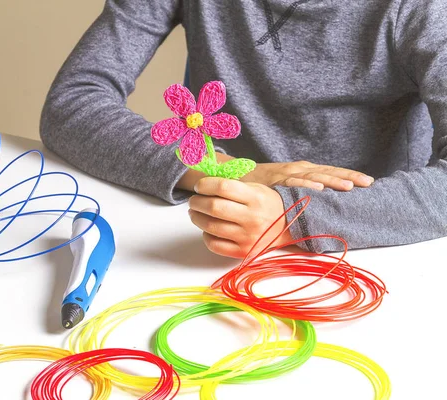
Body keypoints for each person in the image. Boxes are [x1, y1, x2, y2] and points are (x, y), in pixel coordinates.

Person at [40, 0, 447, 258]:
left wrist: (291, 216)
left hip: (373, 244)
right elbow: (73, 101)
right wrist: (231, 171)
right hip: (208, 229)